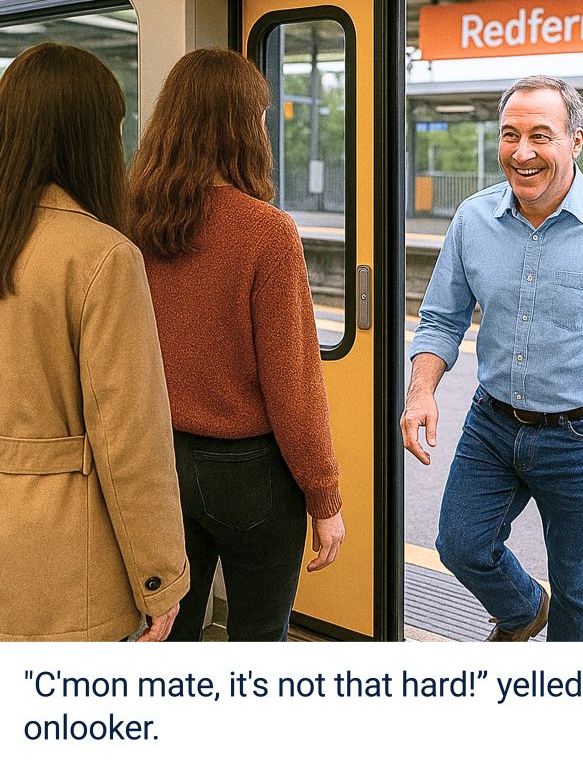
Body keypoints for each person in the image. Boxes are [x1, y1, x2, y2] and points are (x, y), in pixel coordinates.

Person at [401, 75, 583, 642]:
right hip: (492, 423)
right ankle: (523, 609)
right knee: (460, 545)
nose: (522, 151)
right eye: (510, 134)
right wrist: (420, 392)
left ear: (575, 141)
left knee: (578, 586)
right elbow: (440, 318)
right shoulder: (473, 219)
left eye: (540, 135)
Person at [128, 48, 344, 642]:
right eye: (261, 116)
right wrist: (324, 498)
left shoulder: (133, 223)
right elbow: (294, 386)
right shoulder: (266, 232)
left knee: (170, 634)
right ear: (243, 127)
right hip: (251, 475)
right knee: (257, 640)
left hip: (161, 463)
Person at [0, 42, 189, 642]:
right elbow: (131, 441)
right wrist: (160, 578)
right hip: (63, 573)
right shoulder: (103, 256)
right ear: (90, 138)